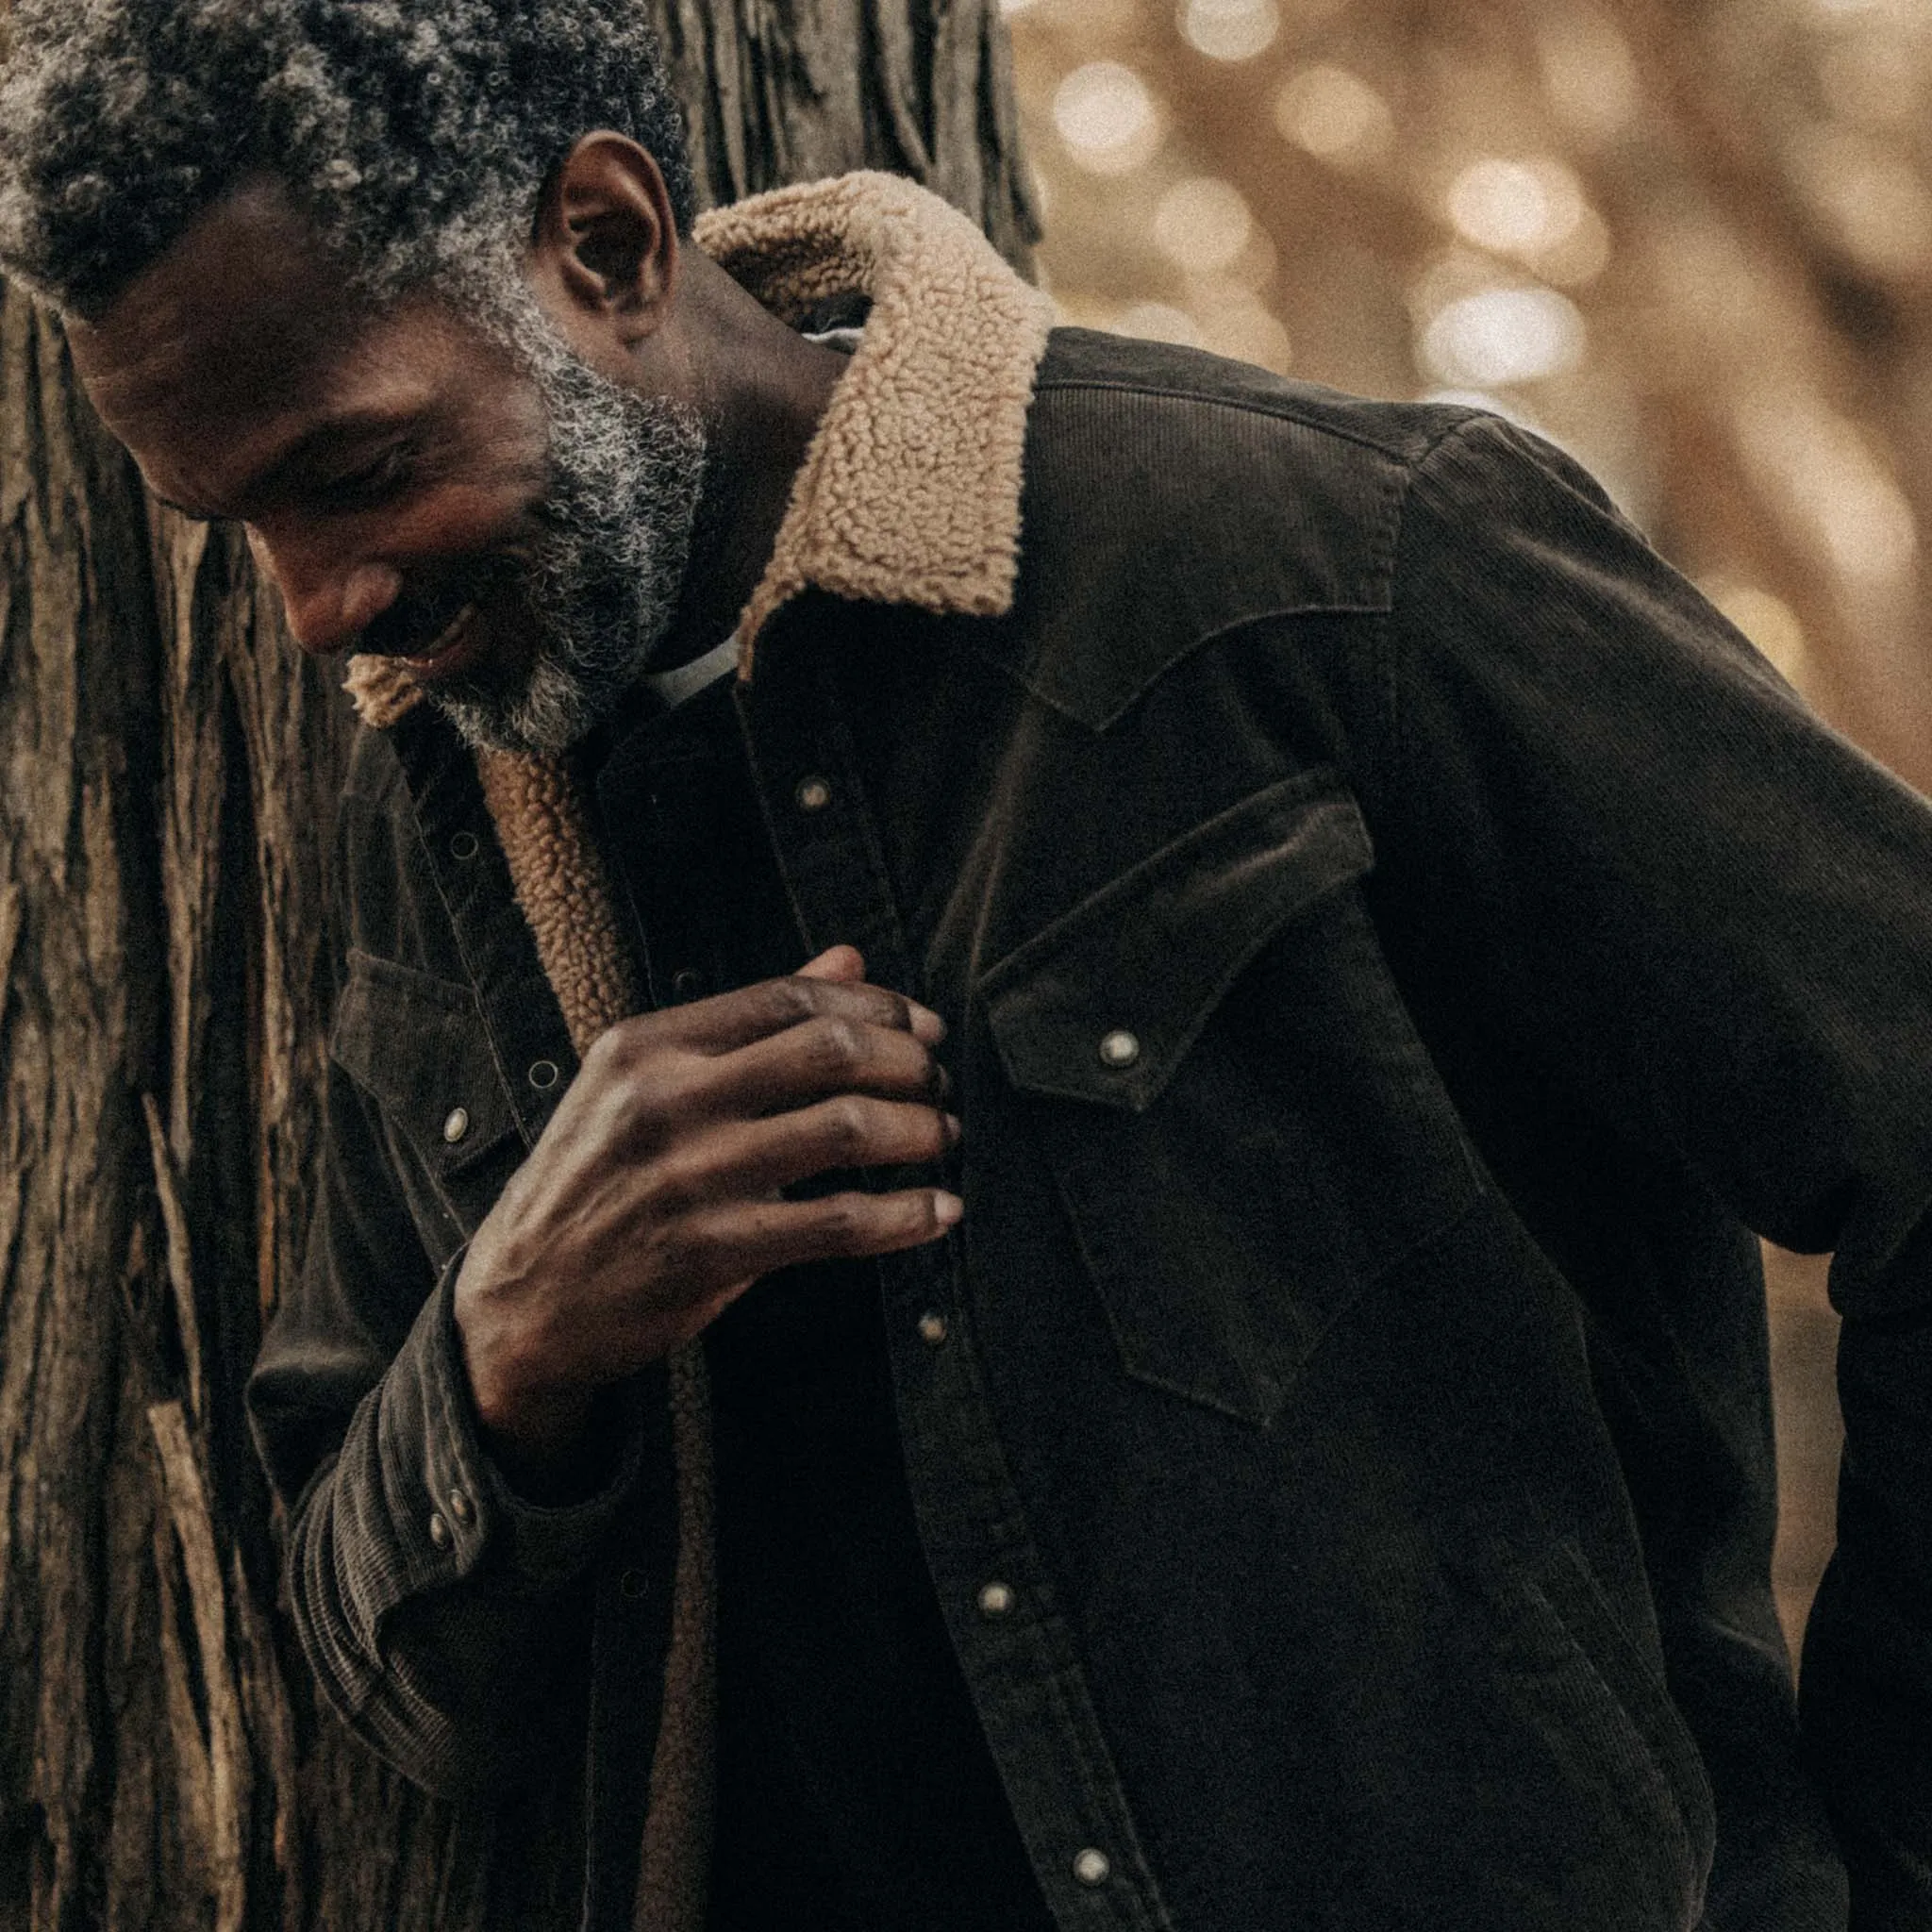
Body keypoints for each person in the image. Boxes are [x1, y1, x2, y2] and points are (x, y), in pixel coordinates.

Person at [4, 3, 1928, 1928]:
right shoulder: (431, 807)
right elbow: (394, 1678)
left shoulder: (1331, 564)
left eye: (351, 469)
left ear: (604, 246)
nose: (320, 606)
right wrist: (511, 1344)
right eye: (233, 524)